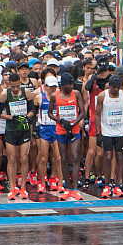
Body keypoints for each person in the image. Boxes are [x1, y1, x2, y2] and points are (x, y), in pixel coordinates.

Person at [48, 72, 86, 200]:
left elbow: (82, 112)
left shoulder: (76, 94)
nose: (71, 87)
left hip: (74, 128)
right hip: (61, 129)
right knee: (63, 158)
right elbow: (50, 113)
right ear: (63, 85)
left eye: (72, 84)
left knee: (75, 157)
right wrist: (61, 121)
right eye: (69, 85)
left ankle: (75, 188)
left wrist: (74, 123)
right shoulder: (55, 96)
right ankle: (67, 188)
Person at [96, 75, 123, 198]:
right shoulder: (102, 96)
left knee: (120, 156)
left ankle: (117, 185)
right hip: (107, 131)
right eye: (114, 88)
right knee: (107, 156)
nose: (116, 90)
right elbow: (97, 115)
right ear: (109, 86)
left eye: (118, 88)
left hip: (120, 131)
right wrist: (97, 133)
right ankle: (107, 184)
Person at [0, 72, 33, 200]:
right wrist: (10, 117)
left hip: (24, 129)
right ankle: (13, 187)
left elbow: (32, 110)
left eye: (17, 86)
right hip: (11, 129)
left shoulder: (26, 92)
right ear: (9, 85)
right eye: (13, 87)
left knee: (24, 158)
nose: (15, 89)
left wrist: (27, 117)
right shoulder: (5, 94)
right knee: (11, 158)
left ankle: (23, 186)